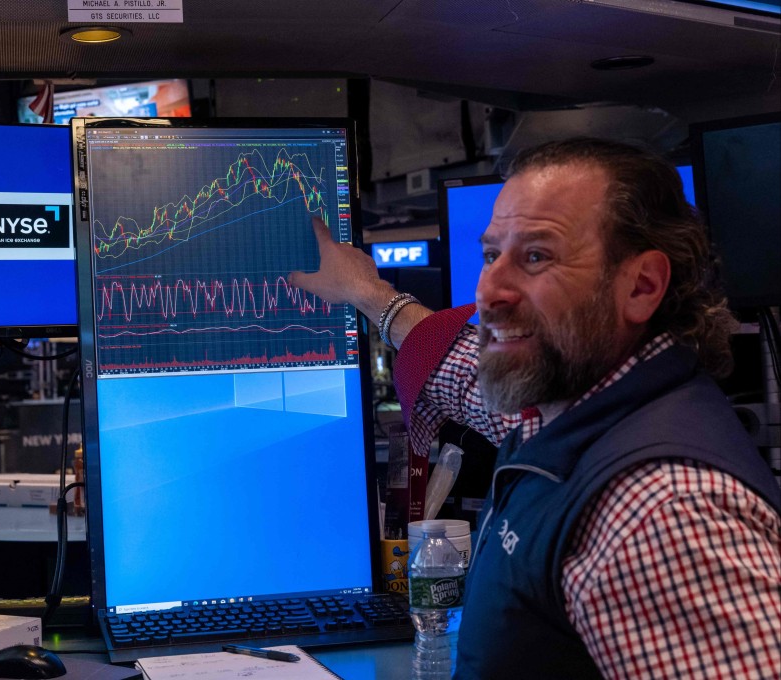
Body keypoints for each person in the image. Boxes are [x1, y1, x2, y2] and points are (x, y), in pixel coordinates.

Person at [289, 137, 781, 679]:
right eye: (491, 254)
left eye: (536, 257)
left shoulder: (660, 510)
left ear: (642, 286)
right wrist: (368, 294)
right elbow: (464, 377)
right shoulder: (579, 418)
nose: (488, 291)